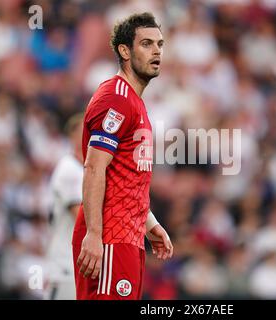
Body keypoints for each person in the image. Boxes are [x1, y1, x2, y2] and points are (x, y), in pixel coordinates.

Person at [72, 12, 173, 300]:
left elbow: (126, 179)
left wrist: (149, 223)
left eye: (160, 44)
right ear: (124, 51)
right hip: (109, 237)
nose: (156, 51)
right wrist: (94, 233)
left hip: (128, 236)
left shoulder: (135, 102)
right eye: (146, 44)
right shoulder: (116, 98)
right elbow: (94, 167)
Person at [45, 113, 84, 300]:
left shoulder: (87, 170)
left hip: (79, 262)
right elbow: (81, 217)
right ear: (72, 136)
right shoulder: (69, 169)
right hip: (65, 262)